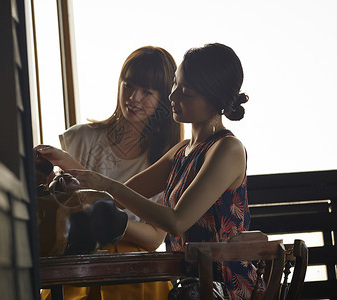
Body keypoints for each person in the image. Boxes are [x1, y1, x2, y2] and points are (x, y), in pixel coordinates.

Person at [64, 43, 257, 300]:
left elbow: (176, 222)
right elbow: (120, 196)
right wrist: (69, 177)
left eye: (185, 93)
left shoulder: (227, 149)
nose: (172, 96)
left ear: (215, 100)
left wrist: (107, 186)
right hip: (187, 285)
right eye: (175, 85)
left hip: (222, 287)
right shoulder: (181, 151)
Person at [38, 46, 182, 300]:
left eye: (147, 92)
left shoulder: (166, 160)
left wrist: (108, 221)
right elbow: (65, 208)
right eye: (128, 85)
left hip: (136, 273)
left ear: (164, 98)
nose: (134, 98)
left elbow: (153, 238)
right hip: (76, 268)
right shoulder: (81, 139)